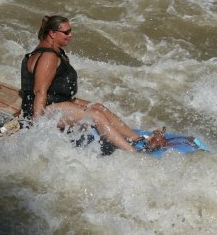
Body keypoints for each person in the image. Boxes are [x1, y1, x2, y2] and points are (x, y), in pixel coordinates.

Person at [21, 15, 167, 152]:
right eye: (66, 32)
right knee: (95, 116)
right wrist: (37, 125)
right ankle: (133, 153)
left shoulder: (52, 52)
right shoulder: (48, 56)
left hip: (58, 102)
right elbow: (40, 91)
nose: (70, 35)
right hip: (46, 110)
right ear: (52, 33)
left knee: (99, 107)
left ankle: (138, 139)